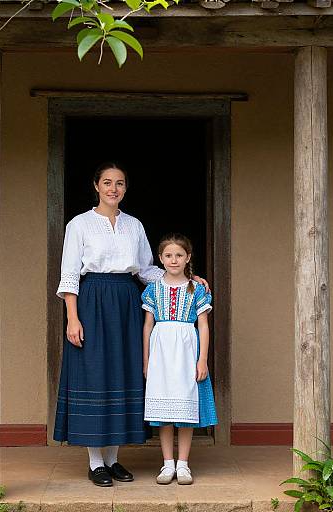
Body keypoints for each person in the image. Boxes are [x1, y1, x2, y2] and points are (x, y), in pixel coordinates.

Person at [54, 164, 208, 487]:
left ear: (125, 188)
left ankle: (112, 460)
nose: (113, 188)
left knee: (122, 374)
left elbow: (148, 270)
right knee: (95, 376)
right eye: (107, 182)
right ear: (96, 185)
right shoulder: (79, 224)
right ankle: (96, 462)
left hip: (126, 302)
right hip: (92, 301)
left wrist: (187, 279)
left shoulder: (134, 225)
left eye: (120, 183)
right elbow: (69, 274)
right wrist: (72, 316)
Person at [141, 233, 218, 486]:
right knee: (164, 410)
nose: (174, 260)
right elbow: (147, 326)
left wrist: (202, 359)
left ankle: (183, 464)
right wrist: (146, 360)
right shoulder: (153, 289)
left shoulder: (196, 289)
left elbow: (204, 326)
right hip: (161, 352)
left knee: (185, 406)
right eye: (168, 255)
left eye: (179, 255)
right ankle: (167, 464)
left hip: (187, 350)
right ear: (160, 259)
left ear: (188, 258)